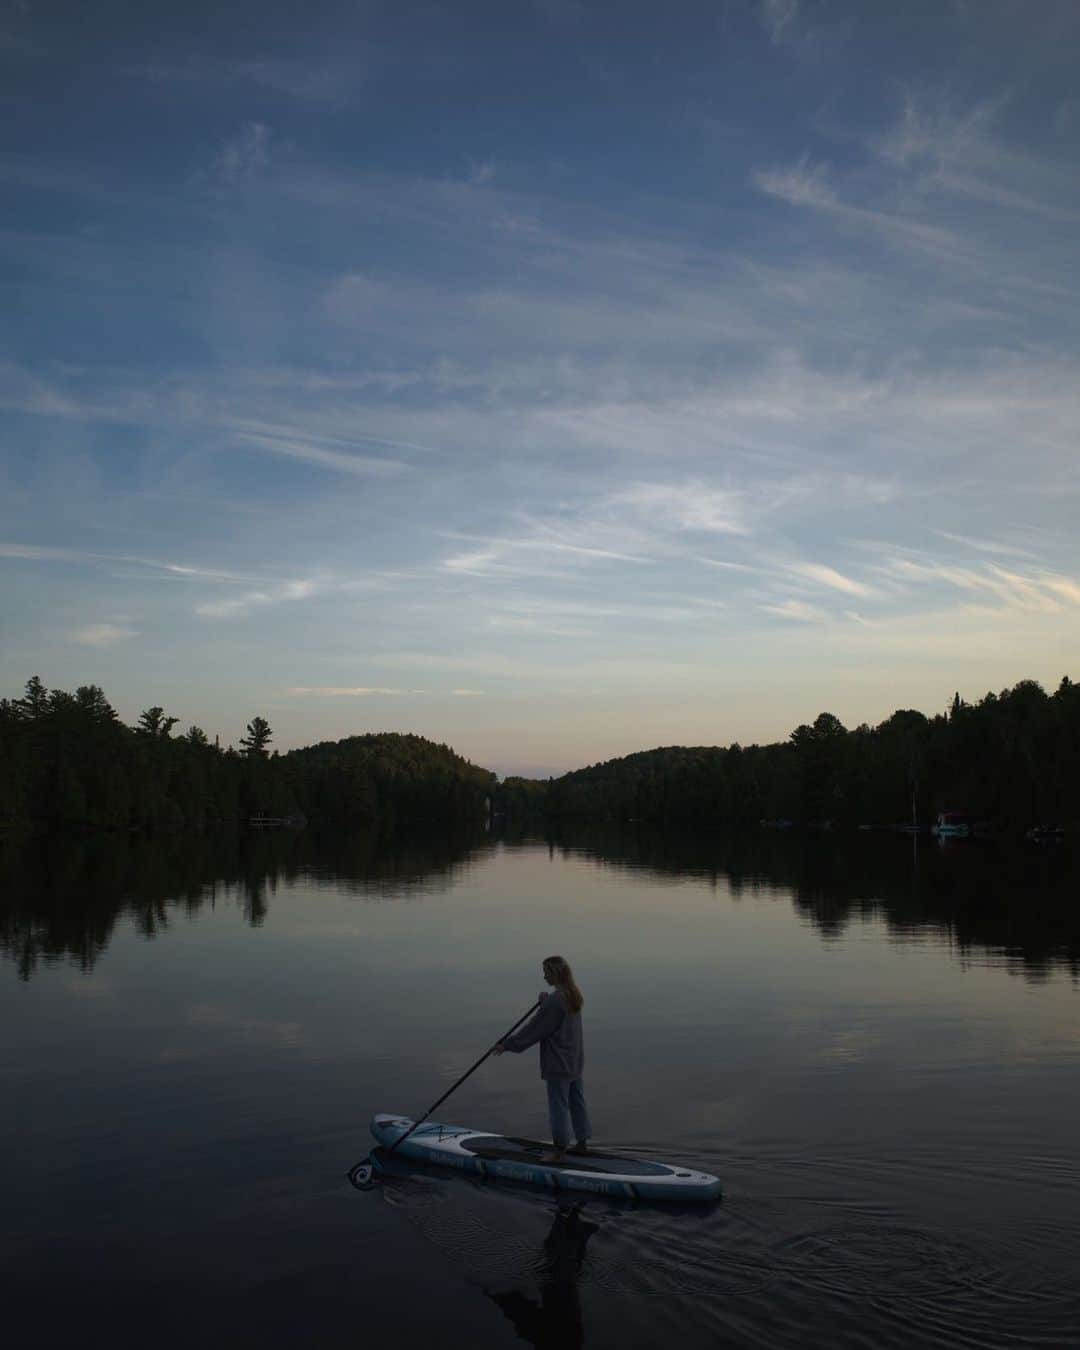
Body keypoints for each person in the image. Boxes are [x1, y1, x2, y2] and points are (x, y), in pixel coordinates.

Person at [493, 955, 591, 1164]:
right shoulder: (572, 994)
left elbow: (535, 1029)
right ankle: (582, 1144)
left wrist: (506, 1044)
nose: (543, 975)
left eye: (546, 972)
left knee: (558, 1107)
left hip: (558, 1063)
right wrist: (545, 1003)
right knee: (576, 1102)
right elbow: (555, 1018)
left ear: (554, 974)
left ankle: (558, 1152)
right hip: (574, 1061)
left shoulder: (557, 1000)